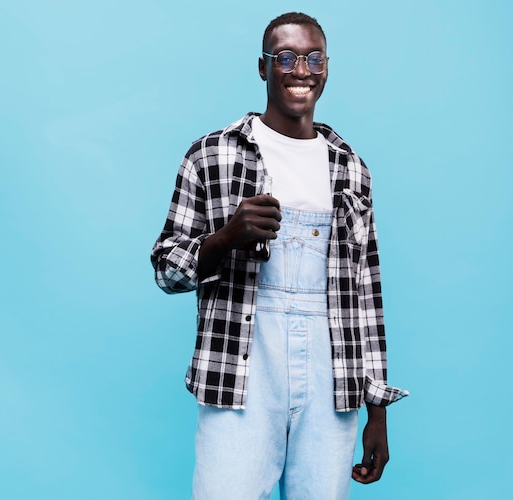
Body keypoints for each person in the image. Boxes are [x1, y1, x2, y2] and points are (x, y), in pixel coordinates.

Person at [151, 11, 408, 499]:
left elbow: (365, 293)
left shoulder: (351, 169)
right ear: (263, 67)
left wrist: (377, 410)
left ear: (327, 66)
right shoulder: (212, 154)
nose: (301, 70)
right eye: (286, 58)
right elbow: (166, 270)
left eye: (313, 58)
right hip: (240, 373)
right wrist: (225, 237)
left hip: (333, 379)